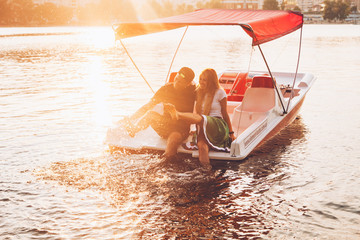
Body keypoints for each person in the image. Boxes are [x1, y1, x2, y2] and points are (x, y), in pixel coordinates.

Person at [164, 68, 236, 168]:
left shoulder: (220, 92)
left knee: (202, 118)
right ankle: (206, 171)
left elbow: (225, 113)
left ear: (211, 81)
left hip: (217, 125)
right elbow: (197, 112)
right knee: (202, 147)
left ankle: (178, 114)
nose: (201, 82)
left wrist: (231, 132)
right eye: (200, 79)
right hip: (203, 125)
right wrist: (193, 129)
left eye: (204, 80)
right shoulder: (198, 92)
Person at [123, 67, 196, 159]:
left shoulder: (193, 93)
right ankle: (133, 130)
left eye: (180, 82)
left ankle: (166, 162)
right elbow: (148, 106)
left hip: (180, 127)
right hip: (166, 124)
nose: (176, 83)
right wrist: (132, 117)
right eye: (176, 79)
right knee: (150, 114)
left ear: (188, 84)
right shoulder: (166, 89)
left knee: (173, 140)